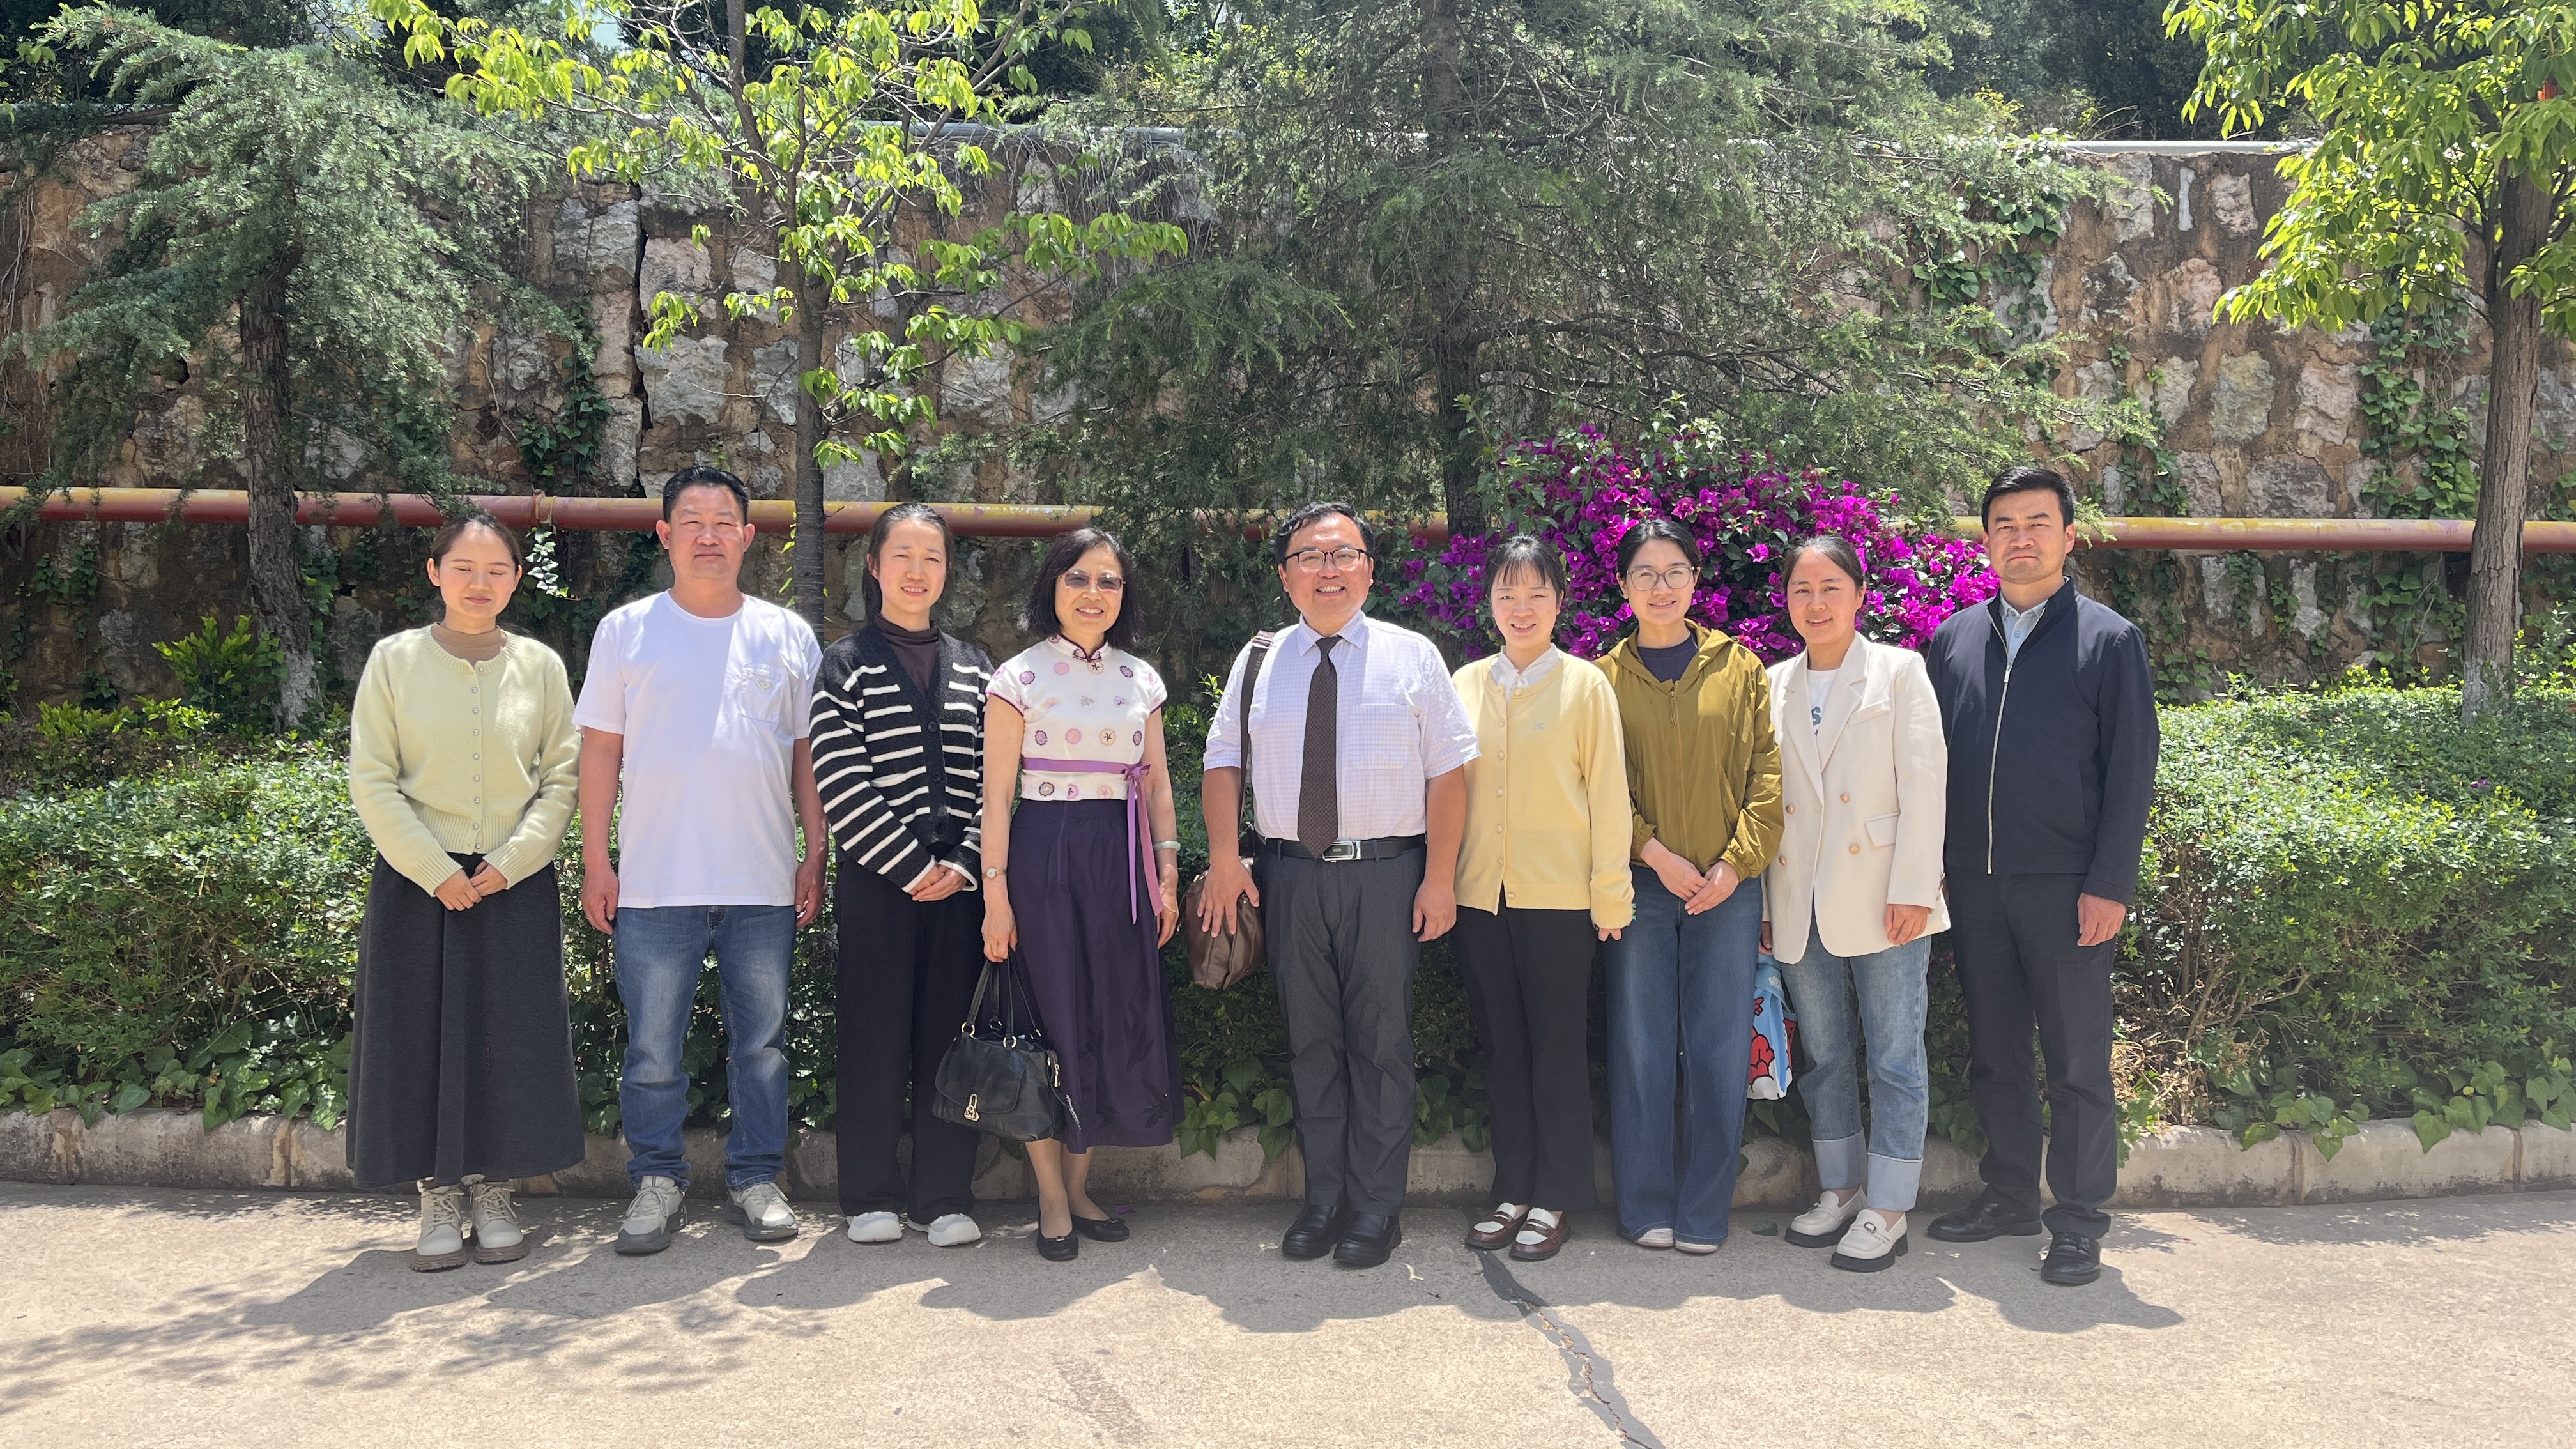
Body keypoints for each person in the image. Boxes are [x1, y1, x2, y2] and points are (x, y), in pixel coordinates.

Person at [1197, 502, 1478, 1269]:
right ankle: (1323, 1200)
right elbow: (1222, 760)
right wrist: (1225, 857)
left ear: (1370, 570)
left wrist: (1440, 878)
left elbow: (1449, 774)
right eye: (1311, 557)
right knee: (1311, 1041)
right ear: (1285, 575)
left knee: (1382, 1044)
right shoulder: (1259, 660)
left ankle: (1376, 1208)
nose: (1329, 569)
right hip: (1287, 876)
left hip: (1387, 875)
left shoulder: (1412, 656)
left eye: (1344, 554)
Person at [574, 466, 827, 1255]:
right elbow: (600, 753)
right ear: (665, 535)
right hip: (655, 882)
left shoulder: (787, 635)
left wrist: (816, 852)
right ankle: (657, 1180)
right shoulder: (626, 631)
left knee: (763, 1048)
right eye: (692, 521)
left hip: (761, 879)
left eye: (724, 522)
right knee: (653, 1048)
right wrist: (596, 860)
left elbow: (807, 756)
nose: (709, 535)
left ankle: (757, 1178)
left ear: (748, 538)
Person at [1921, 466, 2158, 1288]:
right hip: (1975, 884)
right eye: (2005, 526)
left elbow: (2131, 773)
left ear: (2067, 536)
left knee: (2077, 1062)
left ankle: (2080, 1220)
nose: (2020, 539)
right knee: (1996, 1053)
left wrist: (2111, 884)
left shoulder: (2109, 642)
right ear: (1986, 541)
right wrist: (1931, 867)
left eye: (2037, 523)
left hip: (2066, 887)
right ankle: (2011, 1193)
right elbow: (1927, 767)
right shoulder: (1953, 641)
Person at [348, 512, 584, 1271]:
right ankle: (438, 1197)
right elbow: (372, 778)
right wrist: (434, 868)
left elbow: (562, 776)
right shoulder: (395, 661)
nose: (480, 583)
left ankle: (496, 1192)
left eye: (496, 570)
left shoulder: (540, 666)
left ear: (518, 579)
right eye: (464, 568)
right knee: (420, 1036)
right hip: (418, 884)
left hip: (513, 883)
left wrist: (515, 860)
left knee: (506, 1037)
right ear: (435, 572)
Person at [981, 528, 1185, 1261]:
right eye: (1078, 578)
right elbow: (996, 798)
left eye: (1109, 581)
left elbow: (1158, 788)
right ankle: (1048, 1196)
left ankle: (1079, 1187)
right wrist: (996, 899)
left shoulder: (1142, 680)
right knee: (1051, 1021)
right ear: (1053, 586)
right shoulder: (1017, 679)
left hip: (1121, 860)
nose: (1093, 593)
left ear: (1124, 595)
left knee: (1104, 1017)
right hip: (1044, 855)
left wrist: (1167, 874)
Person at [1759, 534, 1949, 1273]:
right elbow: (1767, 803)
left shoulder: (1899, 672)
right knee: (1826, 1054)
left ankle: (1890, 1206)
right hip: (1798, 895)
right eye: (1802, 590)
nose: (1816, 603)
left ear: (1861, 594)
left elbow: (1926, 782)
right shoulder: (1774, 683)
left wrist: (1915, 887)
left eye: (1830, 587)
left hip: (1883, 893)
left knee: (1896, 1055)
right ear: (1786, 601)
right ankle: (1840, 1187)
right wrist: (1768, 903)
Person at [1598, 518, 1783, 1254]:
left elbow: (1766, 778)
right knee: (1641, 1044)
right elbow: (1598, 789)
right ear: (1623, 586)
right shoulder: (1602, 680)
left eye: (1675, 572)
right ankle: (1645, 1205)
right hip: (1642, 888)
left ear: (1696, 580)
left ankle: (1705, 1210)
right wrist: (1654, 853)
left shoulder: (1740, 668)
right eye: (1645, 574)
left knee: (1718, 1046)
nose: (1661, 587)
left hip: (1726, 891)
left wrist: (1733, 865)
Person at [811, 503, 993, 1249]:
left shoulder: (978, 666)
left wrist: (965, 862)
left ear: (947, 571)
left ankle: (944, 1197)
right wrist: (912, 867)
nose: (918, 571)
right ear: (874, 567)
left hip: (961, 886)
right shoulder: (844, 664)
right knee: (874, 1036)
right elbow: (839, 780)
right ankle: (870, 1194)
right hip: (878, 881)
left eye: (933, 558)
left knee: (953, 1038)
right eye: (903, 556)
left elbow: (996, 778)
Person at [1450, 535, 1632, 1263]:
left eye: (1536, 594)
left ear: (1560, 602)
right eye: (1507, 594)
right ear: (1489, 603)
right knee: (1503, 1050)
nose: (1520, 608)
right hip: (1480, 897)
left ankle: (1555, 1196)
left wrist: (1611, 896)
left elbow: (1610, 798)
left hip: (1560, 899)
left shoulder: (1586, 686)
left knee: (1557, 1051)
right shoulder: (1465, 684)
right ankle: (1513, 1188)